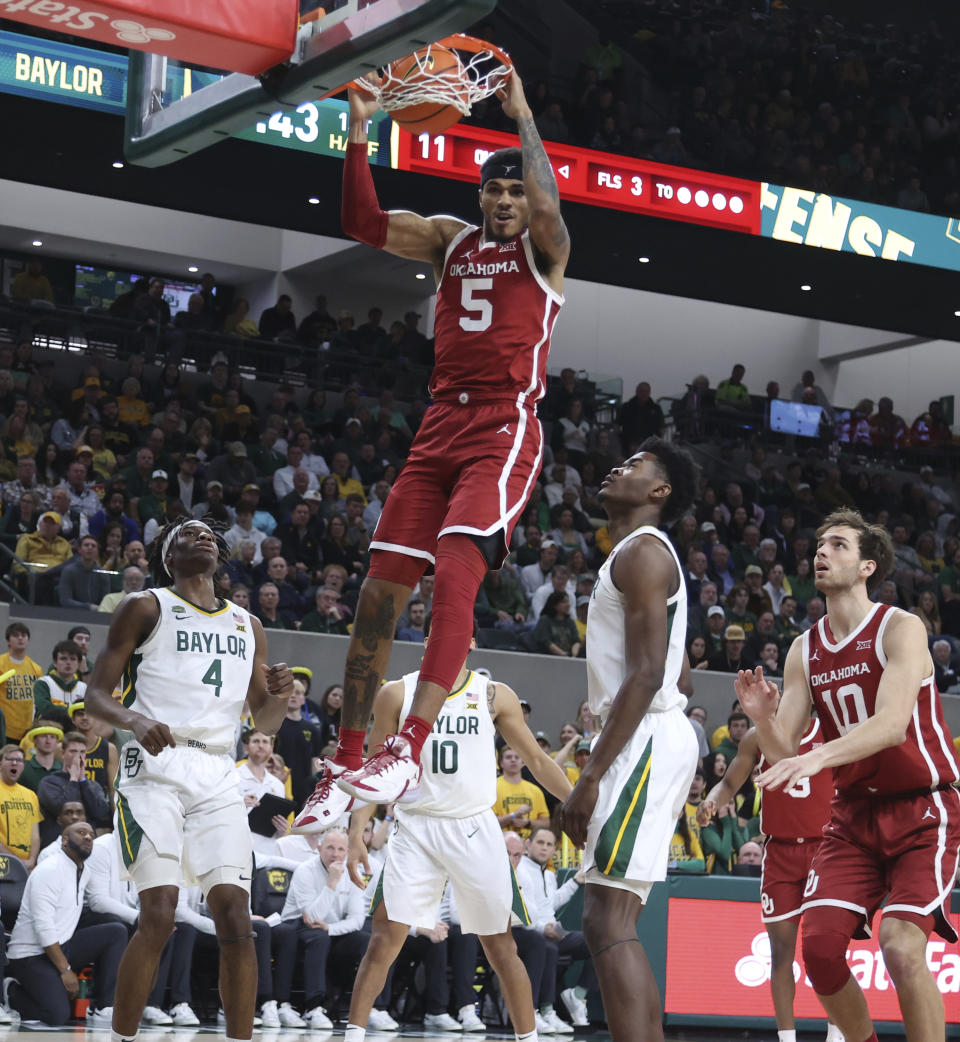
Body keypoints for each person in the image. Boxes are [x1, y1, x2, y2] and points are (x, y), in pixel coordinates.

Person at [294, 66, 569, 831]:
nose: (509, 201)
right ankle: (348, 758)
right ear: (481, 197)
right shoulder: (452, 242)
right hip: (439, 425)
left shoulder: (546, 250)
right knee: (380, 590)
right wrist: (359, 129)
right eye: (497, 191)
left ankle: (408, 744)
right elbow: (361, 221)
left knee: (455, 572)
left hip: (503, 426)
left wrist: (521, 115)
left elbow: (551, 206)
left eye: (516, 191)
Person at [737, 509, 960, 1042]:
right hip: (854, 816)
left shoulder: (902, 627)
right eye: (819, 544)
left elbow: (889, 725)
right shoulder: (803, 649)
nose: (821, 551)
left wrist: (819, 757)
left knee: (903, 947)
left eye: (837, 544)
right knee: (818, 952)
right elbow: (784, 748)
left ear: (867, 566)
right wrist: (763, 718)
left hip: (923, 808)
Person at [84, 516, 295, 1042]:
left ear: (220, 555)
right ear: (168, 557)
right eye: (187, 534)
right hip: (155, 767)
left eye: (208, 534)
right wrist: (133, 720)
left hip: (218, 768)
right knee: (158, 912)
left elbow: (262, 722)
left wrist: (279, 698)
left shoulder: (249, 625)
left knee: (235, 914)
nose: (200, 536)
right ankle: (121, 1037)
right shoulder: (147, 606)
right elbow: (95, 694)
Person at [343, 624, 572, 1042]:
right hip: (416, 824)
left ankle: (529, 1038)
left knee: (500, 945)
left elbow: (537, 761)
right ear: (428, 641)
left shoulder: (492, 694)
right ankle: (354, 1035)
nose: (447, 638)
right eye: (436, 633)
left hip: (473, 827)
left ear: (470, 641)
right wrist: (358, 830)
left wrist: (576, 803)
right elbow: (374, 773)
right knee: (384, 938)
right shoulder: (397, 692)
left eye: (459, 632)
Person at [559, 437, 699, 1042]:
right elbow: (680, 670)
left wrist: (589, 775)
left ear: (660, 492)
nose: (617, 467)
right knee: (611, 919)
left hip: (644, 738)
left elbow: (648, 675)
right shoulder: (642, 554)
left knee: (606, 919)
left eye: (635, 465)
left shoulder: (642, 554)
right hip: (653, 733)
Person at [698, 718, 839, 1042]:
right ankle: (786, 1038)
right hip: (780, 853)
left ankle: (837, 1031)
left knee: (828, 950)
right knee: (780, 953)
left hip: (827, 850)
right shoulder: (755, 737)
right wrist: (712, 800)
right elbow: (729, 784)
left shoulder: (833, 729)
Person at [6, 821, 125, 1025]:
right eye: (80, 833)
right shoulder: (49, 870)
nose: (88, 837)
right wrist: (65, 970)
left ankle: (103, 1006)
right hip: (31, 955)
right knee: (57, 1015)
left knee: (116, 931)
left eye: (91, 835)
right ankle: (12, 991)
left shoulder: (84, 871)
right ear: (64, 841)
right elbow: (43, 927)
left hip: (62, 945)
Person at [0, 621, 42, 742]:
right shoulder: (1, 664)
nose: (20, 638)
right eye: (15, 635)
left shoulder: (36, 668)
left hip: (27, 731)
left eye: (23, 635)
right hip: (4, 729)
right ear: (8, 640)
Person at [0, 743, 41, 866]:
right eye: (10, 759)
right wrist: (15, 861)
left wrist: (32, 860)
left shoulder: (31, 795)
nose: (15, 763)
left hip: (26, 865)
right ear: (0, 763)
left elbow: (35, 835)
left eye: (19, 760)